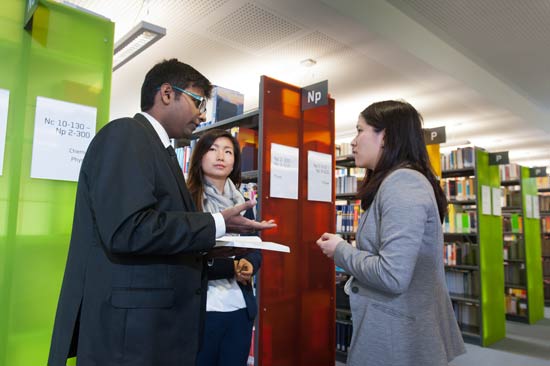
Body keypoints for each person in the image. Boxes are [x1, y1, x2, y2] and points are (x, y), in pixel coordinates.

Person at [47, 59, 276, 366]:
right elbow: (130, 229)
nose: (203, 115)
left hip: (152, 333)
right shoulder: (126, 134)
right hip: (130, 340)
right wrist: (217, 223)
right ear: (167, 93)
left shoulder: (159, 149)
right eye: (197, 102)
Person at [317, 100, 465, 366]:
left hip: (399, 336)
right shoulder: (394, 182)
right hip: (394, 329)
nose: (352, 141)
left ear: (384, 136)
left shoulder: (404, 183)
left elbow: (392, 275)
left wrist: (340, 250)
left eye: (359, 130)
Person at [187, 129, 264, 366]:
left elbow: (255, 248)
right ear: (199, 157)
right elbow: (185, 256)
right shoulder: (187, 199)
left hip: (239, 309)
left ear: (234, 163)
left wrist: (249, 264)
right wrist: (231, 267)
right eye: (213, 149)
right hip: (199, 310)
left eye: (228, 151)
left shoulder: (243, 203)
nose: (221, 156)